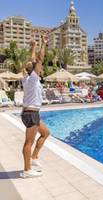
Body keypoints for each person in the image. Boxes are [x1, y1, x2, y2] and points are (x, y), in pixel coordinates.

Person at [20, 36, 49, 178]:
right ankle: (27, 170)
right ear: (34, 70)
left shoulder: (26, 77)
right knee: (28, 142)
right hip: (31, 114)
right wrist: (43, 44)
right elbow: (39, 59)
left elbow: (33, 60)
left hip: (30, 113)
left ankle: (34, 157)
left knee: (45, 133)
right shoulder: (32, 78)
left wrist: (33, 47)